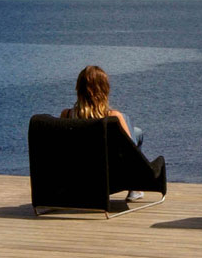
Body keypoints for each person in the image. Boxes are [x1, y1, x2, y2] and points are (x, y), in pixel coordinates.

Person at [59, 64, 148, 198]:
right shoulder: (113, 117)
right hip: (109, 175)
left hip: (80, 173)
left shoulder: (66, 115)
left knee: (136, 131)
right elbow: (131, 154)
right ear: (104, 90)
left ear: (79, 88)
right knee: (133, 129)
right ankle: (134, 187)